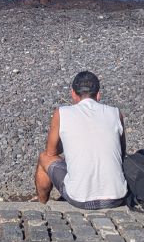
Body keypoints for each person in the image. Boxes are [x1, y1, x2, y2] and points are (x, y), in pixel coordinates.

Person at [35, 71, 128, 209]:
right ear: (98, 94)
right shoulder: (115, 113)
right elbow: (121, 152)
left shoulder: (61, 113)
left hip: (80, 199)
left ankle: (42, 206)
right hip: (117, 197)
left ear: (73, 93)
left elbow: (50, 152)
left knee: (44, 158)